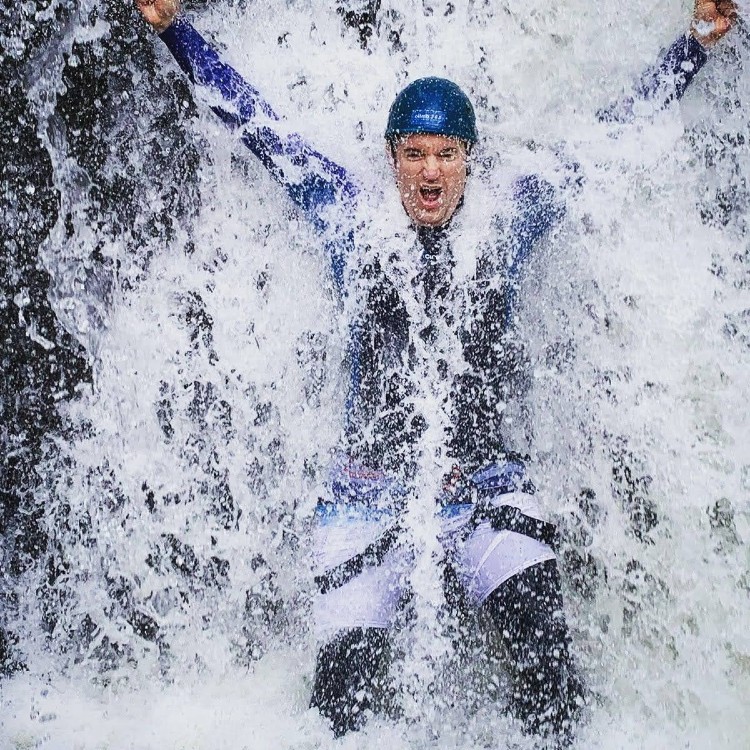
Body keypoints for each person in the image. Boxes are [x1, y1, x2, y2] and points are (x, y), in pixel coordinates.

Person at [135, 0, 737, 743]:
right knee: (339, 709)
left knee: (552, 678)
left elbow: (610, 140)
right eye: (415, 154)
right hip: (367, 495)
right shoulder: (348, 216)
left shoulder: (511, 218)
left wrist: (695, 49)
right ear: (392, 158)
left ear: (468, 160)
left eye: (446, 154)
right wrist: (174, 32)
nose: (430, 172)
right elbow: (255, 122)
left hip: (485, 489)